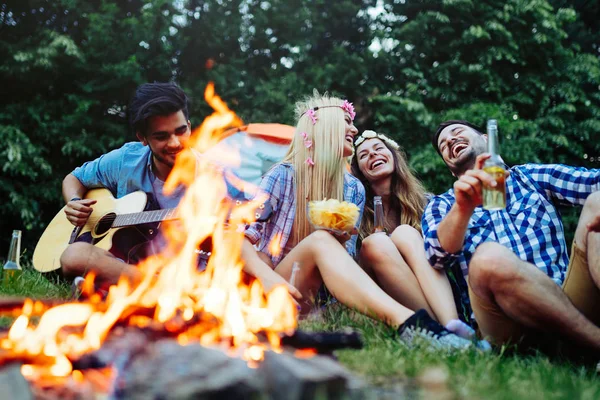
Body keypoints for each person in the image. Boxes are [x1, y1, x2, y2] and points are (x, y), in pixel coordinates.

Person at [242, 94, 483, 350]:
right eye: (347, 121)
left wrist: (342, 241)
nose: (354, 130)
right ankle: (411, 325)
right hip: (275, 290)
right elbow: (239, 238)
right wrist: (266, 276)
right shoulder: (282, 175)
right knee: (320, 241)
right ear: (324, 126)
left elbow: (346, 265)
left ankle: (442, 332)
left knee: (346, 241)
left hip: (318, 300)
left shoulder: (352, 188)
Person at [424, 119, 600, 354]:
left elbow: (593, 183)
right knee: (488, 258)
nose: (450, 141)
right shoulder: (443, 205)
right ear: (449, 167)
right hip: (504, 324)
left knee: (597, 202)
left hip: (567, 299)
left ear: (486, 139)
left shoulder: (531, 177)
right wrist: (463, 208)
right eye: (443, 145)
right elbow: (436, 257)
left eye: (456, 132)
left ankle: (574, 341)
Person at [60, 82, 229, 287]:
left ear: (190, 127)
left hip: (182, 269)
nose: (175, 143)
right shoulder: (126, 159)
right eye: (161, 136)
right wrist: (75, 202)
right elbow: (74, 178)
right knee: (74, 255)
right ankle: (154, 287)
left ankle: (130, 287)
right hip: (124, 262)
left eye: (181, 131)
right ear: (143, 138)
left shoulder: (213, 176)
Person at [351, 130, 469, 333]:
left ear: (394, 157)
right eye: (363, 155)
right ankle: (443, 331)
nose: (372, 154)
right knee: (376, 242)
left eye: (379, 148)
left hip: (433, 295)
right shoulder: (354, 211)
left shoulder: (427, 203)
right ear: (360, 171)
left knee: (405, 232)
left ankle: (450, 327)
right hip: (378, 295)